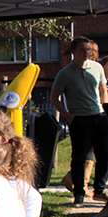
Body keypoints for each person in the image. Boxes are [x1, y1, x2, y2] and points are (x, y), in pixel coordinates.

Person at [51, 36, 108, 207]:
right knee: (79, 158)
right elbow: (54, 97)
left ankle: (99, 189)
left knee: (104, 155)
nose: (86, 53)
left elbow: (103, 89)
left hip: (98, 116)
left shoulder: (97, 68)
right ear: (74, 52)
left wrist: (105, 109)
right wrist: (68, 116)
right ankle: (79, 194)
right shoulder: (65, 73)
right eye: (83, 50)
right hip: (79, 119)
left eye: (88, 50)